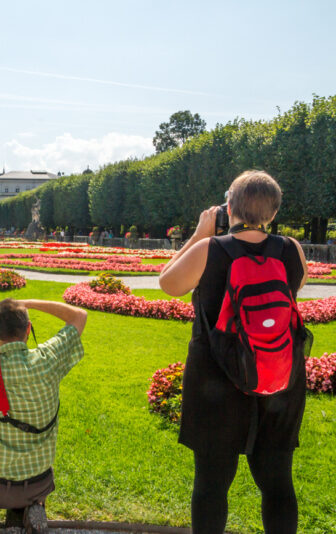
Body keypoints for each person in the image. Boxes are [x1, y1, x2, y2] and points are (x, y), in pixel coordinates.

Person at [159, 170, 308, 534]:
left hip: (216, 381)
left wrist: (200, 233)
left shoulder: (209, 249)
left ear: (229, 207)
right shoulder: (290, 249)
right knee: (278, 483)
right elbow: (296, 287)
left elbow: (168, 283)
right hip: (278, 377)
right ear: (273, 212)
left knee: (211, 485)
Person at [0, 298, 87, 534]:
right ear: (28, 328)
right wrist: (28, 303)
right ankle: (36, 506)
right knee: (40, 481)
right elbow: (79, 316)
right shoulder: (48, 359)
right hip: (37, 484)